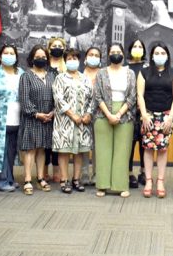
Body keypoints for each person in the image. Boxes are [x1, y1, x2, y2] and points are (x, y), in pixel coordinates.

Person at [94, 43, 137, 197]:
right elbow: (97, 96)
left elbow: (132, 96)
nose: (115, 54)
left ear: (123, 54)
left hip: (125, 114)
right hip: (103, 113)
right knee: (103, 150)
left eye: (118, 51)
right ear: (108, 55)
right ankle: (102, 185)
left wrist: (118, 114)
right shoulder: (101, 73)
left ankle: (121, 185)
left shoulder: (130, 73)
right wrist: (109, 115)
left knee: (122, 151)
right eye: (113, 52)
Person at [137, 42, 173, 198]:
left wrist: (170, 118)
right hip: (148, 116)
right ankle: (148, 181)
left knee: (162, 149)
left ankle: (160, 181)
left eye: (163, 53)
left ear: (167, 56)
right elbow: (140, 95)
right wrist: (144, 115)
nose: (159, 56)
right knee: (147, 149)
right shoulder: (144, 72)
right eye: (157, 53)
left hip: (166, 116)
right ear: (152, 56)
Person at [52, 48, 94, 193]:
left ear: (79, 60)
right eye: (69, 58)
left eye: (75, 58)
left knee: (79, 152)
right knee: (64, 151)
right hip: (65, 121)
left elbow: (91, 99)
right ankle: (64, 179)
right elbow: (58, 99)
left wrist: (88, 113)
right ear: (65, 60)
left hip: (83, 122)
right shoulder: (60, 78)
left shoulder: (85, 78)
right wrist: (72, 114)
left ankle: (76, 179)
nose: (72, 61)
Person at [18, 45, 55, 195]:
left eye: (44, 57)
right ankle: (27, 179)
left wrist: (52, 112)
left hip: (48, 118)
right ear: (32, 58)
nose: (41, 59)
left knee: (42, 149)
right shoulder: (26, 76)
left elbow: (56, 97)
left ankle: (41, 178)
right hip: (32, 118)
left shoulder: (51, 76)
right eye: (38, 57)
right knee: (30, 149)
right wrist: (36, 113)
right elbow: (24, 99)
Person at [0, 45, 24, 192]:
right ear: (0, 56)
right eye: (5, 53)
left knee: (11, 150)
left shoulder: (21, 72)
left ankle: (9, 178)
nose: (9, 55)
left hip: (16, 117)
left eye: (12, 53)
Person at [44, 37, 67, 183]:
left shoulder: (66, 67)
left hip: (62, 110)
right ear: (49, 48)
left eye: (60, 46)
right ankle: (44, 170)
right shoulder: (44, 66)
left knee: (58, 142)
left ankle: (57, 171)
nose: (57, 47)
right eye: (54, 45)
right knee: (46, 142)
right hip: (45, 109)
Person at [127, 38, 146, 189]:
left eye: (140, 46)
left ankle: (143, 172)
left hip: (145, 111)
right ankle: (129, 173)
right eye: (135, 46)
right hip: (129, 111)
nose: (138, 48)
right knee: (130, 143)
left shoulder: (147, 67)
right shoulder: (126, 68)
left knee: (144, 143)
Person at [81, 46, 102, 187]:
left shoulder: (103, 74)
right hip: (82, 115)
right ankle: (83, 174)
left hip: (100, 114)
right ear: (85, 58)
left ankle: (96, 174)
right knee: (83, 145)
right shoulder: (79, 74)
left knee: (98, 146)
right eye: (90, 54)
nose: (93, 57)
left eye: (96, 55)